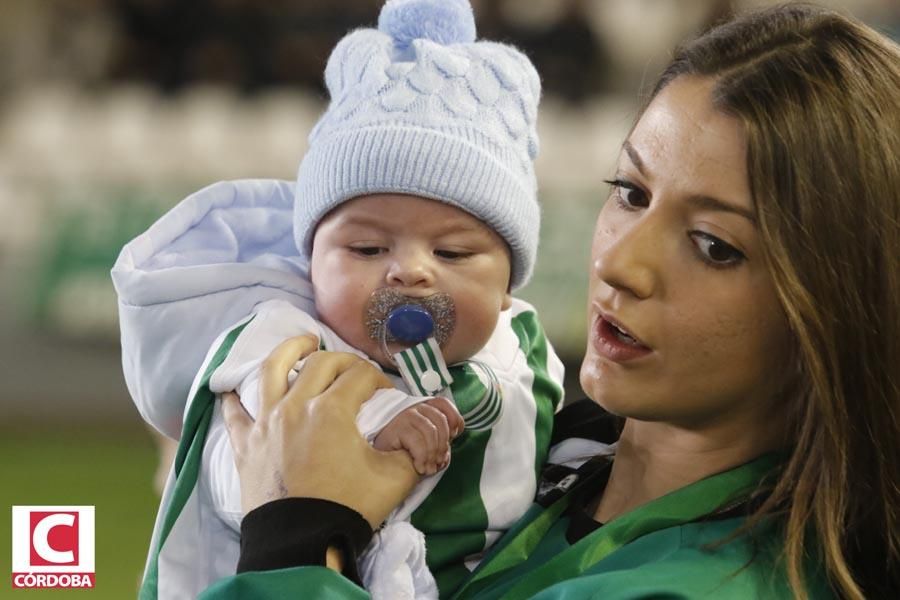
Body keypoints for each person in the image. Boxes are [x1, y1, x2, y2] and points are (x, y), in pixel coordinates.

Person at [188, 4, 899, 599]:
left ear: (833, 307)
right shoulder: (547, 446)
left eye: (714, 245)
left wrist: (298, 535)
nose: (620, 263)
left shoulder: (698, 586)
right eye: (630, 192)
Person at [112, 1, 566, 598]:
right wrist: (380, 421)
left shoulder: (524, 348)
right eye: (368, 248)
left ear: (508, 287)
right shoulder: (280, 337)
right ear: (310, 263)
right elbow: (245, 460)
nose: (409, 272)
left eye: (453, 254)